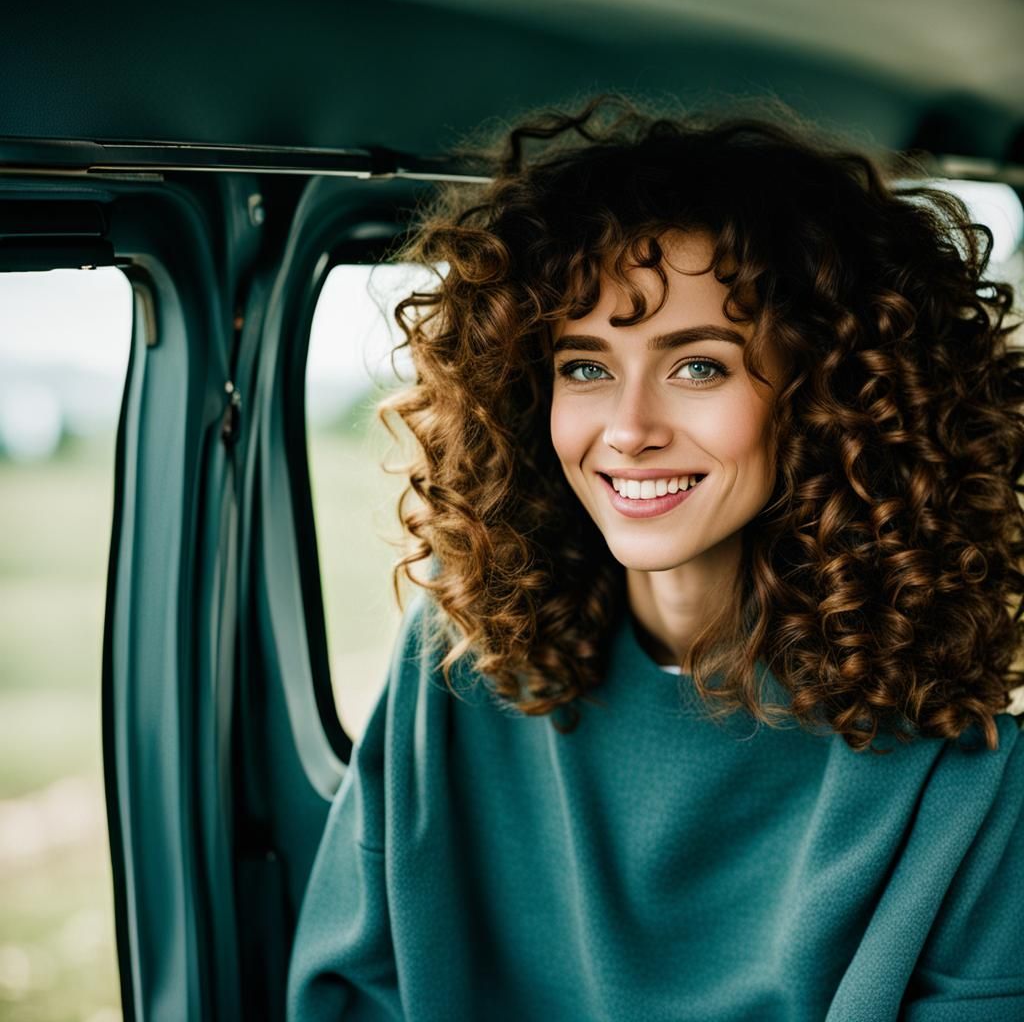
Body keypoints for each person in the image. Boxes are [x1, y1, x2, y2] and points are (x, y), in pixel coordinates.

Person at [287, 95, 1024, 1021]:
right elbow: (349, 992)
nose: (629, 430)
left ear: (827, 393)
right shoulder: (454, 654)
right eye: (587, 366)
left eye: (699, 366)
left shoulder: (963, 766)